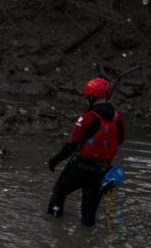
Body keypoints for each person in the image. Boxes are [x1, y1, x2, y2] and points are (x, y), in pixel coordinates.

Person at [46, 77, 125, 227]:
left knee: (59, 193)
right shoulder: (117, 117)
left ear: (90, 97)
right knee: (89, 215)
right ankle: (88, 238)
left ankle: (53, 226)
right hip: (102, 170)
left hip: (81, 167)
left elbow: (71, 146)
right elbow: (120, 139)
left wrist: (54, 161)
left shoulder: (87, 117)